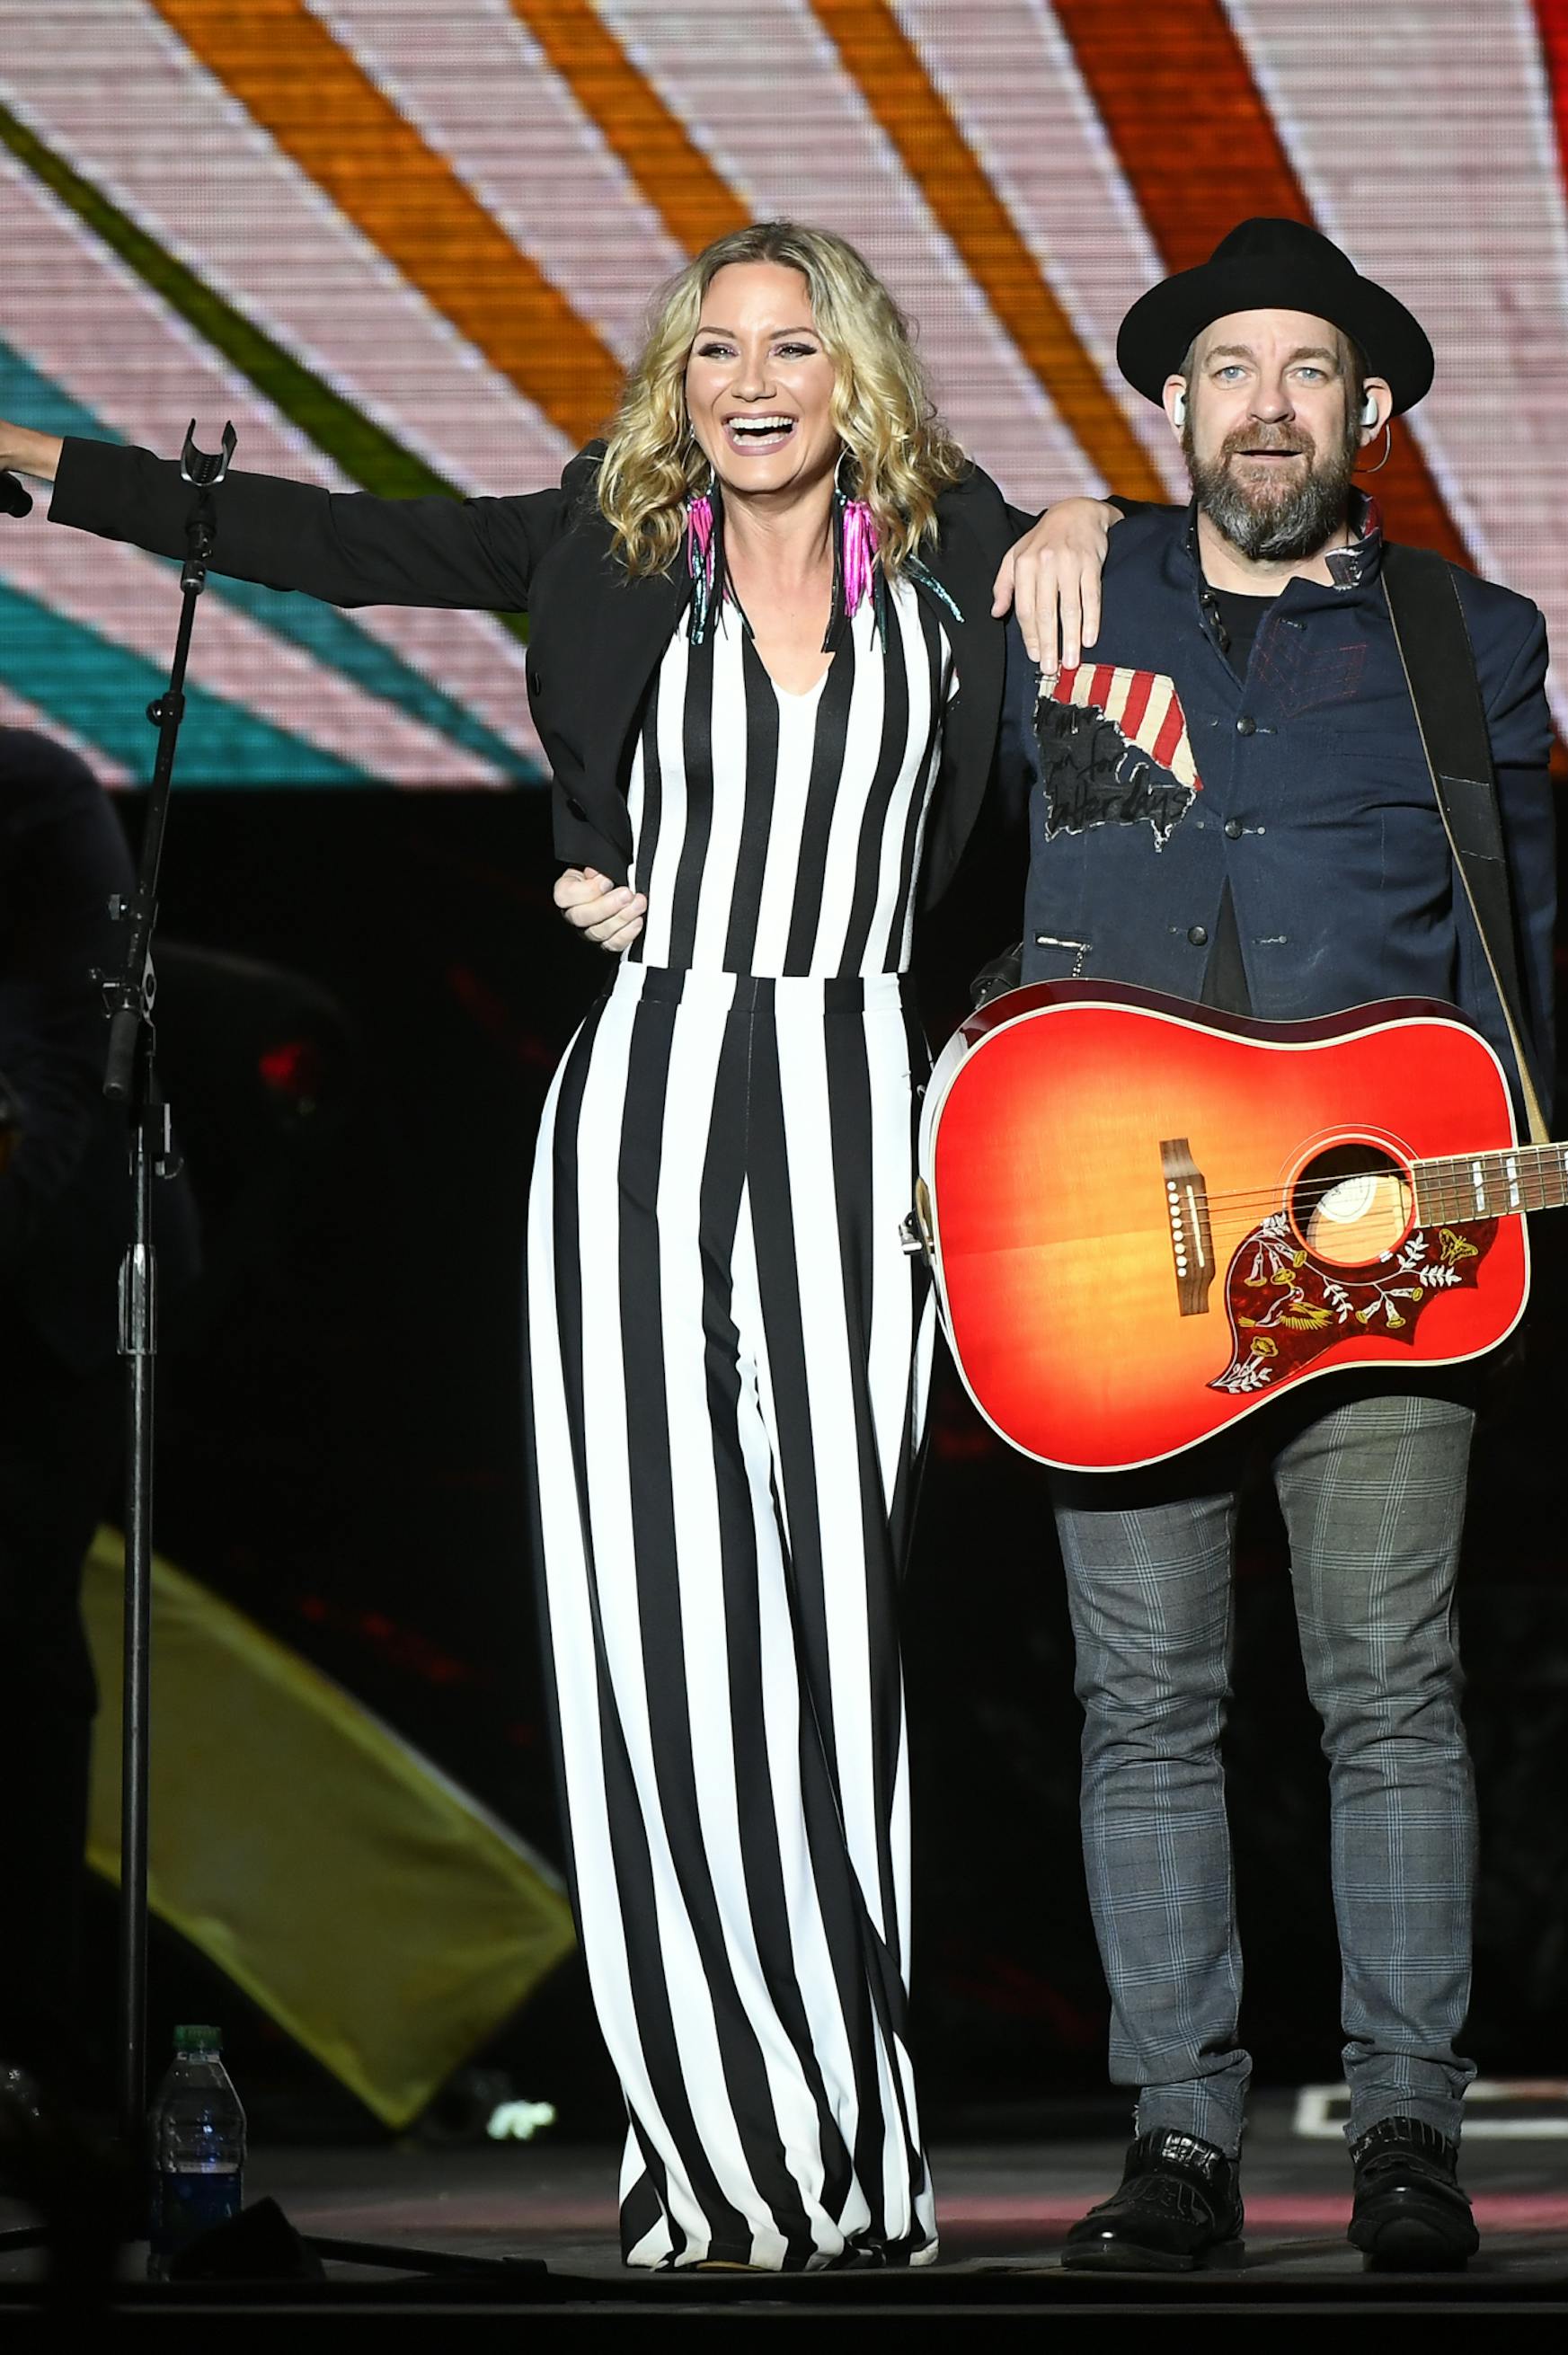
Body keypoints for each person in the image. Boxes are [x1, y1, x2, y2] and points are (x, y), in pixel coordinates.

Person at [0, 218, 1119, 2270]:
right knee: (655, 1646)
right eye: (717, 353)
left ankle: (850, 2157)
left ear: (858, 375)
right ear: (679, 383)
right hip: (650, 1106)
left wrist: (1093, 514)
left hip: (864, 1107)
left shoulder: (956, 550)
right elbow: (330, 542)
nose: (753, 383)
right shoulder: (606, 550)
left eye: (792, 347)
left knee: (830, 1650)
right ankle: (714, 2165)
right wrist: (40, 463)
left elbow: (1135, 635)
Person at [994, 218, 1556, 2274]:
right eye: (1227, 370)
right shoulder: (1070, 596)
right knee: (1145, 1706)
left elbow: (1513, 942)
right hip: (1110, 1253)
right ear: (1172, 406)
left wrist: (1497, 1207)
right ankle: (1179, 2146)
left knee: (1389, 1691)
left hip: (1384, 1251)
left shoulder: (1468, 638)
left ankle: (1408, 2137)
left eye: (1307, 372)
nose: (1266, 407)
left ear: (1370, 413)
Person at [0, 729, 196, 2112]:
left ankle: (35, 2051)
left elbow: (71, 1075)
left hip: (48, 1286)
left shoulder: (32, 797)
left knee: (15, 1640)